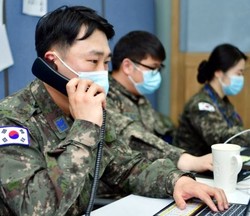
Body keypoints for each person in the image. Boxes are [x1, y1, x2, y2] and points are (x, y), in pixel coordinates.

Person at [0, 6, 228, 216]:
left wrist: (177, 182)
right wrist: (85, 127)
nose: (102, 72)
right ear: (52, 62)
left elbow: (126, 166)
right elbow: (35, 208)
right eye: (93, 60)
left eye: (106, 62)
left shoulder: (86, 104)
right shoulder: (13, 118)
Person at [107, 30, 214, 175]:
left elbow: (163, 129)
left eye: (159, 68)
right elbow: (133, 137)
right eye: (153, 68)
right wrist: (188, 160)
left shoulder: (138, 97)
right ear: (127, 66)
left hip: (149, 177)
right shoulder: (105, 95)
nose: (156, 74)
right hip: (115, 192)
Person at [174, 43, 250, 156]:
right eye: (238, 73)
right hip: (193, 168)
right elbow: (221, 139)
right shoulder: (200, 104)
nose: (241, 78)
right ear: (219, 72)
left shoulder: (223, 102)